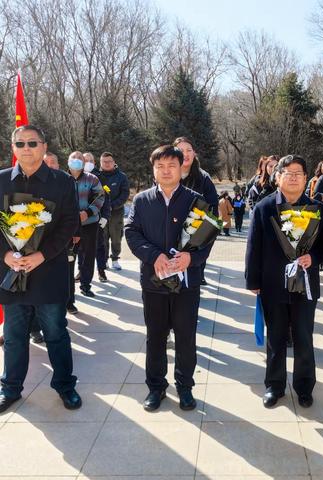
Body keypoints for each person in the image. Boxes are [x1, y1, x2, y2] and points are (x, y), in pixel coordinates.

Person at [125, 145, 213, 412]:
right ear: (153, 170)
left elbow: (208, 235)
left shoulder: (196, 200)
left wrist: (192, 258)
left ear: (181, 169)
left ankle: (185, 386)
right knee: (156, 336)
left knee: (186, 336)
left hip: (187, 283)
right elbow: (131, 232)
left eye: (171, 166)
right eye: (160, 166)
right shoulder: (141, 200)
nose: (166, 171)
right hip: (153, 281)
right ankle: (156, 387)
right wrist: (153, 256)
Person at [0, 125, 81, 413]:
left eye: (32, 143)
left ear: (44, 146)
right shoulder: (1, 181)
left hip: (49, 271)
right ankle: (10, 388)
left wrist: (42, 255)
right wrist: (6, 254)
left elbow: (70, 222)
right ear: (13, 148)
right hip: (12, 273)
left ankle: (65, 386)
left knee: (56, 332)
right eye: (20, 143)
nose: (26, 148)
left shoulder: (61, 181)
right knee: (13, 335)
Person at [246, 154, 323, 409]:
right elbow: (254, 247)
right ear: (278, 177)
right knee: (275, 336)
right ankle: (274, 386)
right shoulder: (264, 208)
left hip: (305, 284)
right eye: (288, 172)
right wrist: (253, 280)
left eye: (298, 173)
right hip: (272, 283)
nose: (293, 177)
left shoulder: (319, 209)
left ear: (306, 178)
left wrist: (313, 258)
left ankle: (304, 386)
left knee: (303, 336)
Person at [173, 137, 218, 286]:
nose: (185, 154)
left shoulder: (203, 178)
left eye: (189, 150)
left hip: (196, 231)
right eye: (180, 151)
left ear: (194, 153)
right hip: (171, 228)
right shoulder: (168, 175)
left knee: (192, 273)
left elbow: (212, 210)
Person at [67, 151, 105, 300]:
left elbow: (100, 197)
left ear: (83, 163)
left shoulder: (92, 179)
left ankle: (85, 285)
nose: (76, 161)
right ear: (68, 161)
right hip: (68, 225)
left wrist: (88, 212)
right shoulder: (62, 179)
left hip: (89, 224)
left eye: (79, 159)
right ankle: (69, 292)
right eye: (73, 158)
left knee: (88, 256)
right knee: (69, 256)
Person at [83, 152, 111, 283]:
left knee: (99, 246)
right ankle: (81, 272)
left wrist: (105, 216)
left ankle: (101, 271)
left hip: (96, 218)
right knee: (82, 249)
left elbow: (106, 198)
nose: (87, 162)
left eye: (90, 160)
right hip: (81, 220)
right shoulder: (74, 176)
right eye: (85, 160)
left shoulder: (101, 177)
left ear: (94, 162)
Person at [99, 152, 129, 271]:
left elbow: (125, 193)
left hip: (116, 212)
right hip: (101, 213)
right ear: (100, 163)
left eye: (109, 161)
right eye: (104, 162)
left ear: (114, 162)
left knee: (116, 237)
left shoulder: (121, 176)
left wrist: (112, 206)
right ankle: (104, 260)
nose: (107, 164)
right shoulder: (96, 176)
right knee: (103, 237)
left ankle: (115, 259)